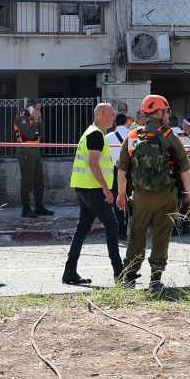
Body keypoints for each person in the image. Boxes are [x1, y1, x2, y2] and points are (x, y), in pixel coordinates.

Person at [117, 95, 190, 290]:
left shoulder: (132, 136)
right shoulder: (170, 136)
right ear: (158, 113)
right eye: (166, 111)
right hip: (166, 195)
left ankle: (130, 277)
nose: (168, 115)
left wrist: (120, 194)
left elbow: (122, 169)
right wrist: (188, 194)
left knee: (136, 235)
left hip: (140, 196)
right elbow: (184, 167)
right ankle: (155, 280)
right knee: (161, 236)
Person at [61, 103, 125, 286]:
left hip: (85, 188)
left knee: (82, 228)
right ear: (103, 115)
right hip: (93, 189)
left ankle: (69, 272)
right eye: (111, 115)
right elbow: (93, 163)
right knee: (112, 225)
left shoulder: (91, 132)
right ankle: (119, 273)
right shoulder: (96, 134)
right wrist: (106, 189)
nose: (113, 118)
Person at [14, 99, 52, 218]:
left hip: (35, 150)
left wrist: (39, 121)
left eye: (40, 109)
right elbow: (28, 135)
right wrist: (35, 121)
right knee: (27, 180)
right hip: (25, 150)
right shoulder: (22, 116)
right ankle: (26, 208)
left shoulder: (34, 118)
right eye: (37, 109)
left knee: (39, 180)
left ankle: (39, 206)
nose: (39, 111)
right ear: (30, 107)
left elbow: (41, 133)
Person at [107, 113, 131, 238]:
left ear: (115, 123)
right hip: (131, 171)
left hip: (115, 171)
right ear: (127, 122)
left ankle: (120, 230)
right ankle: (131, 229)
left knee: (118, 200)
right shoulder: (133, 135)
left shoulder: (108, 137)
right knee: (131, 200)